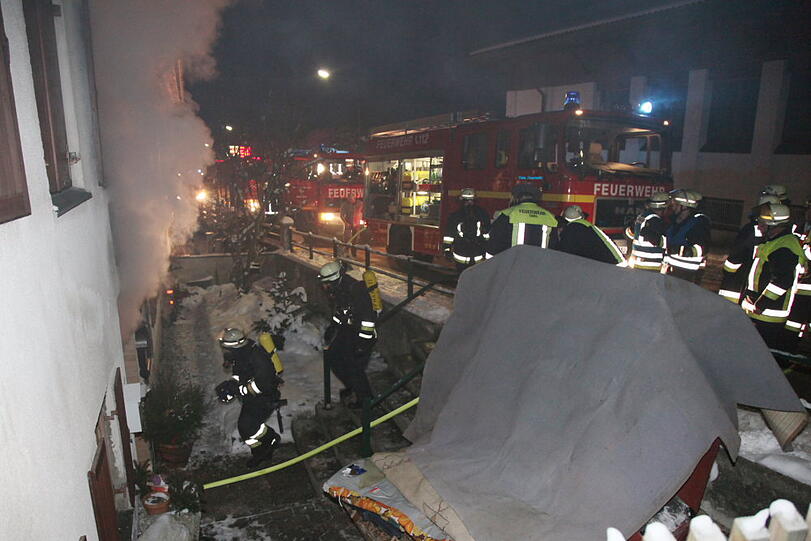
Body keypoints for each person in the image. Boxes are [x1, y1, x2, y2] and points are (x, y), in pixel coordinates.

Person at [740, 203, 807, 351]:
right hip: (760, 311)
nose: (759, 226)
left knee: (762, 354)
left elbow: (783, 281)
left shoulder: (785, 246)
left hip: (768, 315)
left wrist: (761, 304)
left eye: (763, 223)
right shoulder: (774, 241)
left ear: (775, 225)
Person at [215, 327, 284, 468]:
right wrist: (231, 385)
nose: (226, 352)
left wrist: (239, 390)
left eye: (227, 349)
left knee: (247, 427)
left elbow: (262, 385)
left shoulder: (257, 357)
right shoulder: (240, 355)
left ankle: (269, 442)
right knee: (246, 428)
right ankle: (263, 449)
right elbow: (239, 375)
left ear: (235, 346)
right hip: (252, 397)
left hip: (266, 397)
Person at [318, 261, 376, 407]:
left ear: (335, 279)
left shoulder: (357, 290)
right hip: (348, 329)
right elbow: (342, 311)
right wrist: (333, 327)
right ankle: (353, 387)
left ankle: (366, 401)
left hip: (363, 334)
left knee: (354, 367)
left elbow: (368, 320)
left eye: (327, 283)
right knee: (333, 358)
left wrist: (363, 343)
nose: (325, 287)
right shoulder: (339, 288)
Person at [718, 193, 781, 303]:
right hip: (753, 287)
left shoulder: (750, 229)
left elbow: (735, 257)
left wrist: (728, 272)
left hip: (735, 283)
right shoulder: (777, 235)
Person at [485, 182, 558, 258]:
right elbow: (554, 247)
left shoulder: (508, 214)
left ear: (515, 198)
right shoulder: (550, 217)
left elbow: (493, 246)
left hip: (513, 263)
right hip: (541, 263)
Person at [663, 189, 711, 283]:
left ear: (684, 206)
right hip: (671, 272)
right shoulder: (674, 222)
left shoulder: (698, 224)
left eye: (675, 205)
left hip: (688, 275)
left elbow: (702, 248)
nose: (672, 207)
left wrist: (681, 250)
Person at [556, 205, 626, 265]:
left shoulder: (571, 230)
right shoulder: (587, 226)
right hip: (617, 264)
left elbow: (564, 255)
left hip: (611, 267)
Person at [442, 188, 491, 272]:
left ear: (461, 200)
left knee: (462, 277)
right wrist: (486, 250)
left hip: (461, 256)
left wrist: (447, 250)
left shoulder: (455, 216)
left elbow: (449, 235)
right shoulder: (483, 214)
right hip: (477, 255)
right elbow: (487, 234)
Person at [626, 191, 669, 271]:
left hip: (637, 262)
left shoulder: (642, 216)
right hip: (650, 264)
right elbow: (660, 241)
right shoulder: (655, 220)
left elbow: (630, 233)